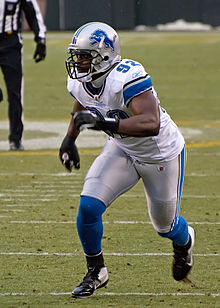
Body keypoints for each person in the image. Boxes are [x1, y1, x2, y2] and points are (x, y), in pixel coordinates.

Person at [59, 22, 195, 298]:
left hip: (160, 154)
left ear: (105, 55)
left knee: (165, 226)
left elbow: (150, 122)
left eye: (85, 56)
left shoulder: (127, 75)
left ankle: (185, 242)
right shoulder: (83, 79)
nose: (79, 62)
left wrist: (104, 122)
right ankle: (96, 271)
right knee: (88, 207)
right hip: (122, 148)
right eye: (77, 55)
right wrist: (69, 139)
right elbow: (83, 100)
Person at [0, 0, 46, 151]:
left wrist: (40, 39)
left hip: (10, 43)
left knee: (15, 93)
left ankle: (15, 139)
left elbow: (32, 12)